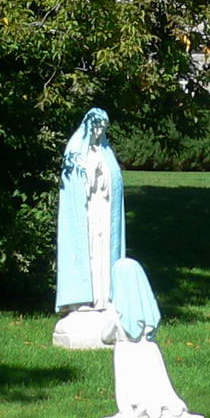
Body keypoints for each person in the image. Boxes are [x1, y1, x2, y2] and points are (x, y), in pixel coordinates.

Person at [100, 257, 202, 418]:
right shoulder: (147, 307)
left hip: (126, 351)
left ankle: (130, 411)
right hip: (149, 349)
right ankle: (160, 407)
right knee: (155, 382)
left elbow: (105, 337)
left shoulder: (116, 311)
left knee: (130, 385)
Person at [55, 107, 125, 314]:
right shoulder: (75, 151)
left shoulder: (106, 151)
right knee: (88, 252)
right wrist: (91, 176)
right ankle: (81, 298)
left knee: (103, 253)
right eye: (96, 127)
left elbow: (115, 181)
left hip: (103, 209)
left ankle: (104, 297)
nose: (99, 132)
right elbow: (73, 186)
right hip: (86, 214)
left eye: (103, 128)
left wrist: (105, 178)